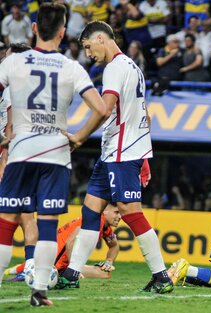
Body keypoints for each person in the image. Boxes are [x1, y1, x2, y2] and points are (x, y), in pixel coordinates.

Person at [0, 3, 108, 306]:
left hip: (21, 150)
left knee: (7, 222)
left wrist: (3, 138)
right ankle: (39, 292)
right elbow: (101, 109)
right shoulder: (72, 67)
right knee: (47, 224)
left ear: (34, 29)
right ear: (62, 32)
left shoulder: (13, 62)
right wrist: (79, 137)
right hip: (56, 154)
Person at [58, 20, 173, 295]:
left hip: (122, 153)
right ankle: (72, 273)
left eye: (88, 47)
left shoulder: (114, 68)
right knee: (90, 209)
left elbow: (105, 109)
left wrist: (80, 136)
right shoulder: (133, 67)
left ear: (101, 39)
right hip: (114, 152)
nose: (88, 54)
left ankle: (162, 276)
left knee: (131, 212)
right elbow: (143, 114)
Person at [0, 43, 38, 283]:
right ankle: (31, 266)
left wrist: (4, 158)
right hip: (32, 155)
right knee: (27, 216)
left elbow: (12, 128)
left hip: (15, 156)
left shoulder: (12, 87)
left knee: (15, 215)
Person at [5, 204, 120, 280]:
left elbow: (114, 246)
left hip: (54, 259)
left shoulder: (103, 226)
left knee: (105, 273)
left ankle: (14, 270)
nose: (120, 216)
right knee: (27, 271)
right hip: (55, 263)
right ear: (104, 211)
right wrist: (74, 269)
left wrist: (109, 261)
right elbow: (71, 242)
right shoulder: (95, 221)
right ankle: (16, 272)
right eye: (116, 212)